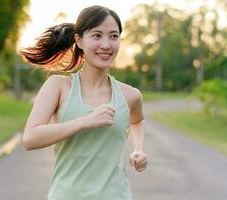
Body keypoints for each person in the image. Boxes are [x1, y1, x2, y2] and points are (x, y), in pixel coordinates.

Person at [19, 5, 147, 200]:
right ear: (79, 40)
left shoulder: (130, 95)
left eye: (113, 36)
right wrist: (84, 121)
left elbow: (137, 121)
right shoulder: (59, 86)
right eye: (97, 35)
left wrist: (138, 149)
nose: (106, 44)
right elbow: (30, 138)